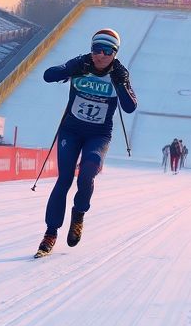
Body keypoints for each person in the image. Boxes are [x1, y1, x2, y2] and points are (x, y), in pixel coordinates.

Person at [34, 28, 137, 258]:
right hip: (71, 131)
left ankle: (78, 213)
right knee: (64, 179)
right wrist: (70, 69)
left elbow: (130, 107)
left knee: (88, 172)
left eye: (106, 51)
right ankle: (50, 233)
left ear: (115, 53)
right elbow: (48, 75)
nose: (100, 55)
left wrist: (120, 84)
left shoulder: (120, 74)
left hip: (98, 135)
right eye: (95, 49)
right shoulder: (81, 65)